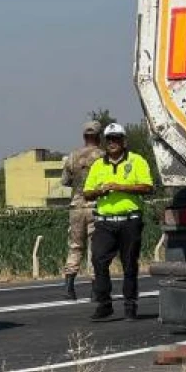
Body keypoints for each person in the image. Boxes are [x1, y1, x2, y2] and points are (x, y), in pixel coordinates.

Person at [82, 123, 154, 320]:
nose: (112, 143)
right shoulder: (98, 165)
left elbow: (148, 187)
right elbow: (87, 193)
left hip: (129, 220)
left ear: (124, 141)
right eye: (109, 140)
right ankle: (104, 303)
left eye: (116, 139)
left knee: (129, 263)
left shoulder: (137, 161)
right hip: (105, 222)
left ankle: (130, 305)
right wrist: (100, 191)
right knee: (98, 259)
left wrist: (121, 187)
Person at [59, 121, 105, 300]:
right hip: (96, 206)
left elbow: (65, 181)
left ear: (84, 136)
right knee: (95, 247)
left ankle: (69, 287)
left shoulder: (72, 156)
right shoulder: (103, 156)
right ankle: (95, 289)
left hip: (76, 206)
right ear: (99, 136)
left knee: (75, 246)